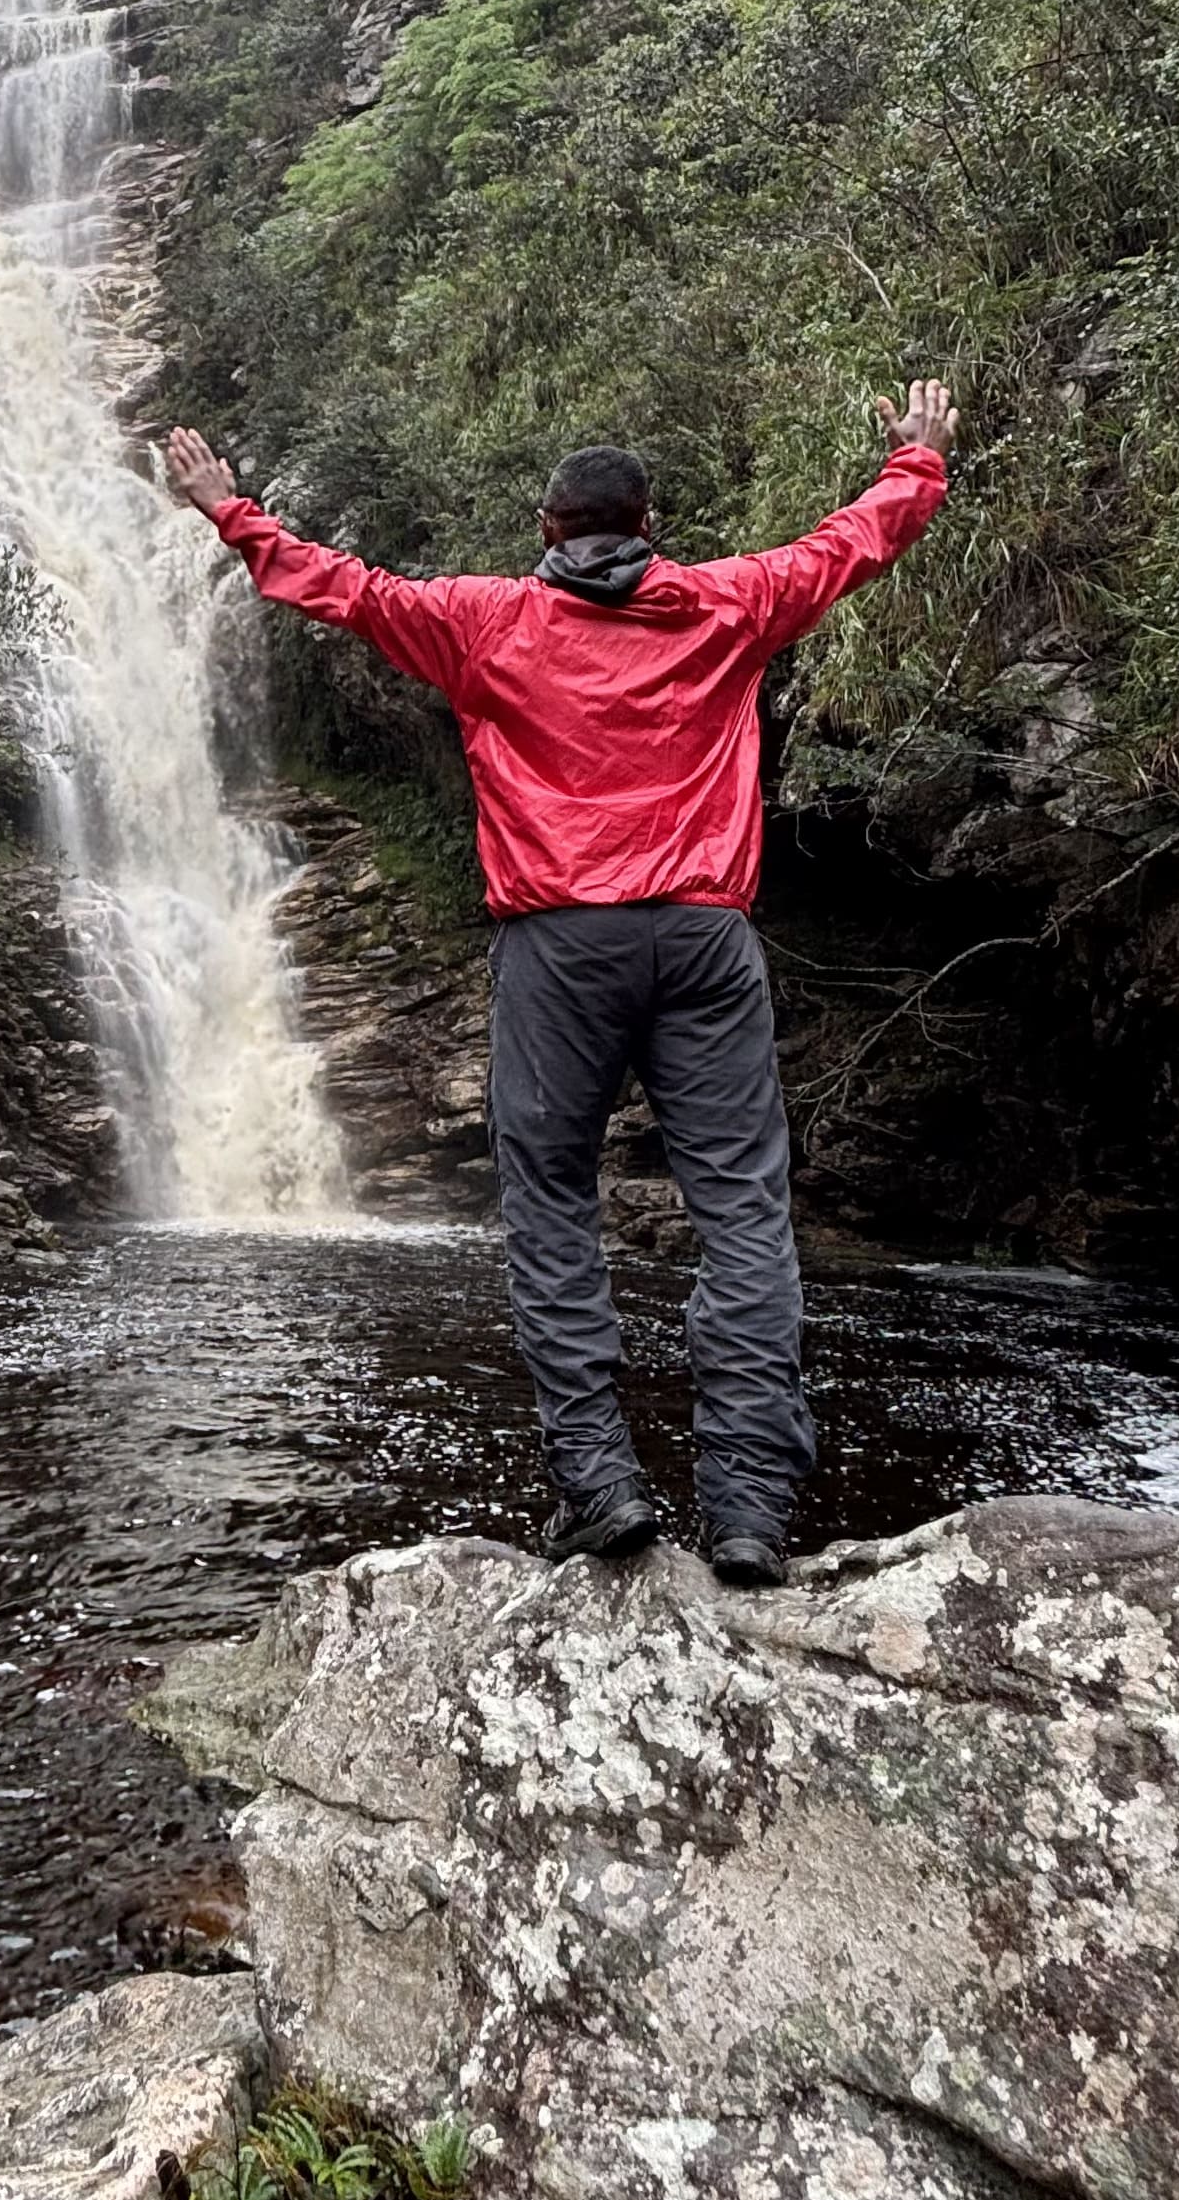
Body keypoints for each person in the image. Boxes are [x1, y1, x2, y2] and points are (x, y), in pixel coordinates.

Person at [164, 387, 958, 1587]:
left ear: (547, 529)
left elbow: (347, 589)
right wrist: (918, 462)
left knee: (549, 1205)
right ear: (651, 522)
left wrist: (232, 512)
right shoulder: (729, 603)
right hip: (703, 939)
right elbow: (850, 545)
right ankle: (748, 1512)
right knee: (742, 1214)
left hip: (559, 947)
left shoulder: (484, 621)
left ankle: (600, 1486)